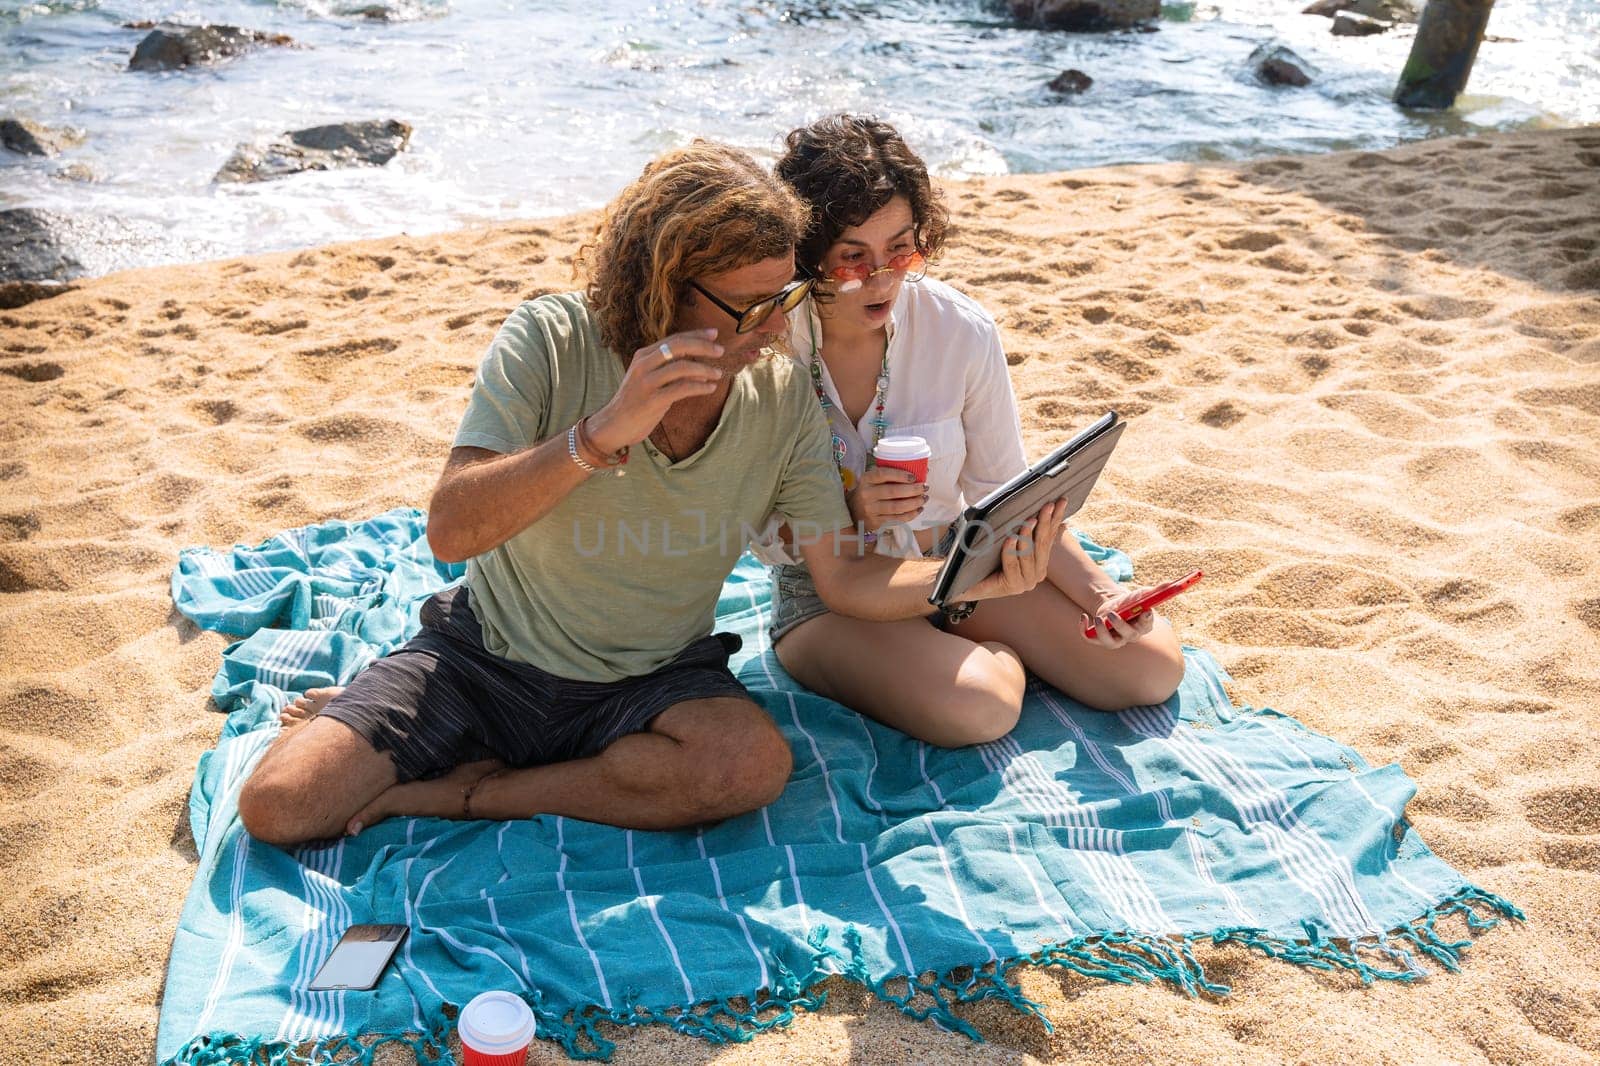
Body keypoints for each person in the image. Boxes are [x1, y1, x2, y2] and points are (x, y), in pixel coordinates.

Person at [236, 141, 1070, 848]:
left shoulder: (779, 390)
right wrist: (602, 433)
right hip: (483, 656)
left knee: (751, 768)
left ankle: (475, 789)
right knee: (278, 806)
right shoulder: (551, 339)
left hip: (653, 678)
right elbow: (452, 531)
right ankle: (458, 745)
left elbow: (843, 581)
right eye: (752, 307)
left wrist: (980, 580)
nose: (778, 330)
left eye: (783, 301)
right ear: (662, 278)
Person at [760, 115, 1187, 748]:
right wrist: (849, 510)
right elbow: (762, 529)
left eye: (901, 249)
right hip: (833, 592)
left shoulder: (958, 330)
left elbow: (1006, 493)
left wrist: (1101, 595)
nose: (883, 278)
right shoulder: (769, 352)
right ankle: (995, 657)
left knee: (1150, 666)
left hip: (958, 562)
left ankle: (965, 641)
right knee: (979, 709)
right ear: (807, 251)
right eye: (854, 257)